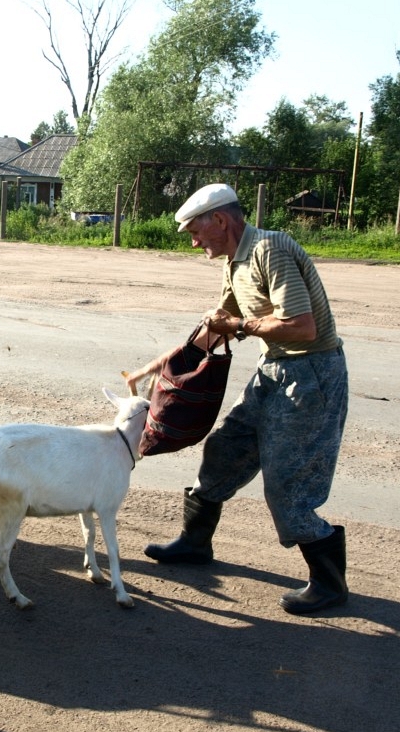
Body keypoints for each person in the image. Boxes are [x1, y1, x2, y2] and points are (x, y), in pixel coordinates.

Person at [125, 183, 350, 615]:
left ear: (220, 221)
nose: (194, 242)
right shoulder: (236, 261)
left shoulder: (270, 250)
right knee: (225, 451)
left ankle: (330, 583)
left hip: (312, 374)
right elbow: (215, 327)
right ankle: (194, 543)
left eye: (195, 232)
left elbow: (301, 327)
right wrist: (159, 367)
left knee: (289, 483)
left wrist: (243, 326)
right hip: (275, 371)